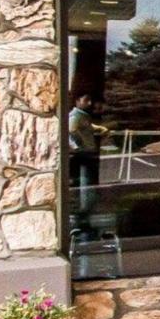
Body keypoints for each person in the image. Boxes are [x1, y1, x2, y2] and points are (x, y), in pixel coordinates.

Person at [68, 92, 108, 237]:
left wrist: (99, 129)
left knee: (88, 188)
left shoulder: (82, 116)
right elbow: (71, 130)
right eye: (86, 100)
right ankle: (81, 221)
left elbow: (87, 127)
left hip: (86, 154)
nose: (89, 103)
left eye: (90, 100)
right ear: (77, 101)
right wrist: (79, 146)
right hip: (83, 155)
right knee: (85, 189)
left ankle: (84, 220)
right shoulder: (75, 116)